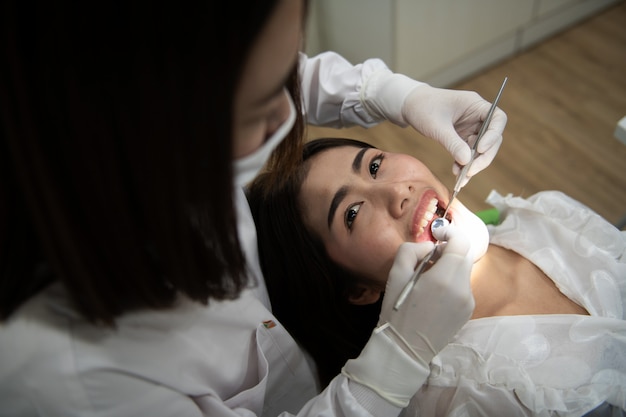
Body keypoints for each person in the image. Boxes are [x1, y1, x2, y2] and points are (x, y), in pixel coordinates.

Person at [0, 1, 508, 416]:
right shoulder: (70, 378)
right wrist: (399, 358)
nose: (289, 117)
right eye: (265, 105)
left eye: (373, 164)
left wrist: (396, 94)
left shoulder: (163, 140)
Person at [247, 137, 626, 416]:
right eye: (352, 213)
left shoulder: (545, 214)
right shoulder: (462, 397)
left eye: (375, 165)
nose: (398, 191)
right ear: (359, 291)